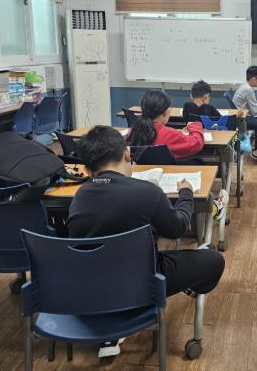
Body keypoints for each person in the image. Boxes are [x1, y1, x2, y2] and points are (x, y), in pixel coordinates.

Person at [67, 126, 226, 358]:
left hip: (93, 288)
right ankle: (165, 296)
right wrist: (185, 194)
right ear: (127, 154)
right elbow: (178, 228)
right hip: (144, 283)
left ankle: (115, 319)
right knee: (213, 259)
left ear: (88, 169)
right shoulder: (147, 192)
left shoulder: (79, 197)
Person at [127, 89, 204, 160]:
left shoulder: (133, 131)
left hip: (139, 169)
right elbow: (196, 143)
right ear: (165, 113)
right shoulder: (169, 134)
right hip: (165, 169)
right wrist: (195, 126)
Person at [233, 66, 257, 162]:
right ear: (254, 79)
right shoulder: (248, 89)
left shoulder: (245, 86)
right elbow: (254, 108)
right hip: (241, 118)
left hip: (241, 115)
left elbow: (253, 109)